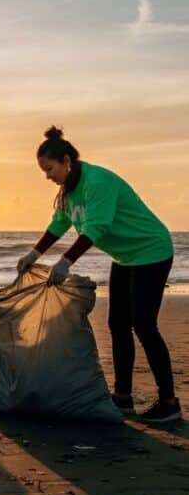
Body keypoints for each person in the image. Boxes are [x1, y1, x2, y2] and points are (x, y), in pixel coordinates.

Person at [17, 126, 180, 424]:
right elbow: (58, 224)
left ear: (66, 160)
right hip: (125, 256)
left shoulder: (98, 181)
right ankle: (123, 397)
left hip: (151, 250)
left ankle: (169, 402)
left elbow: (96, 227)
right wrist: (34, 254)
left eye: (49, 169)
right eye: (43, 171)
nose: (47, 176)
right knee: (118, 324)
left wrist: (65, 262)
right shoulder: (68, 191)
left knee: (143, 325)